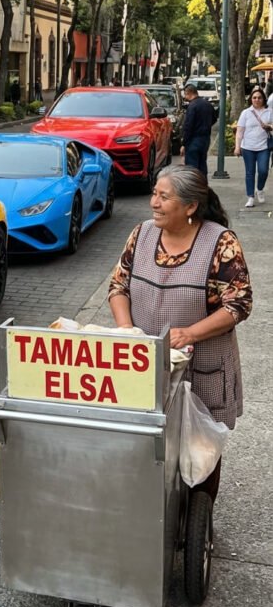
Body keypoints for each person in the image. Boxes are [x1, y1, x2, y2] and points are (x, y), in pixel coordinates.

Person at [108, 164, 252, 503]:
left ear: (190, 206)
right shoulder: (141, 234)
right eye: (154, 194)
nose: (153, 203)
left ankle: (199, 520)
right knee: (148, 444)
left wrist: (188, 334)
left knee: (201, 451)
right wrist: (126, 329)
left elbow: (238, 304)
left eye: (164, 197)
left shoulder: (221, 242)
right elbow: (118, 285)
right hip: (144, 364)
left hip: (202, 367)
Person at [233, 87, 273, 207]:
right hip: (248, 147)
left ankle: (259, 189)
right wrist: (237, 147)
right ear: (251, 99)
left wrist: (270, 127)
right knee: (249, 173)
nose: (257, 100)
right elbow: (240, 131)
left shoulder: (269, 112)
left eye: (259, 98)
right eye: (254, 98)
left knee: (263, 171)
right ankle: (250, 197)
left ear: (263, 99)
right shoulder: (246, 113)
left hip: (264, 147)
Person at [180, 83, 216, 177]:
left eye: (185, 95)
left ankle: (194, 188)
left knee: (192, 168)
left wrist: (184, 144)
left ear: (189, 93)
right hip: (205, 139)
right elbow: (214, 118)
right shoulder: (207, 104)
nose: (185, 97)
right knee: (202, 164)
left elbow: (188, 126)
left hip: (193, 140)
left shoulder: (192, 106)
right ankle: (203, 186)